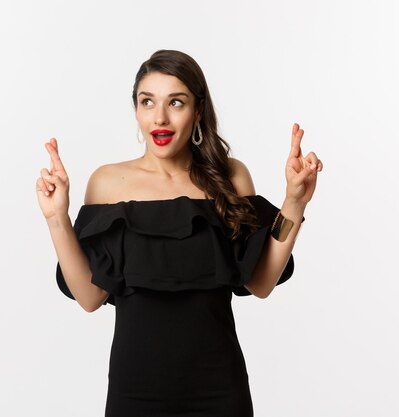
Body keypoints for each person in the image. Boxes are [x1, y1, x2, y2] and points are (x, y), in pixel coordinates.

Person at [36, 49, 323, 417]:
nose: (160, 117)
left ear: (198, 110)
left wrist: (294, 204)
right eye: (147, 102)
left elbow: (262, 282)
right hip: (135, 392)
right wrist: (57, 217)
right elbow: (90, 297)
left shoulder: (231, 176)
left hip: (219, 390)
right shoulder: (107, 183)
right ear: (136, 110)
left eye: (176, 102)